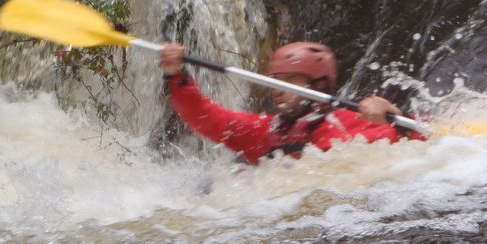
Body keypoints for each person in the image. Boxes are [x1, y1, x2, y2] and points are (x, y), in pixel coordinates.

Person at [159, 41, 425, 164]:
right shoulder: (268, 131)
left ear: (318, 85)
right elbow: (206, 118)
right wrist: (176, 74)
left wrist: (395, 118)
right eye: (276, 80)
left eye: (291, 81)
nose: (279, 90)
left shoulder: (351, 120)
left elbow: (423, 146)